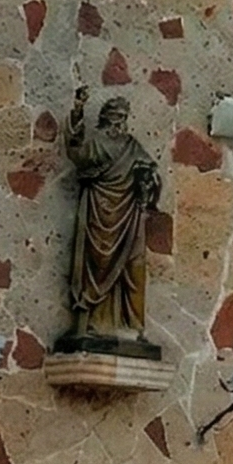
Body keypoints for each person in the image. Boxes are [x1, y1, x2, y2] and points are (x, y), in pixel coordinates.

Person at [64, 85, 160, 343]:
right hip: (100, 211)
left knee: (134, 267)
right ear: (107, 119)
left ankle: (133, 325)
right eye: (116, 118)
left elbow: (150, 172)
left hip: (130, 213)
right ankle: (93, 323)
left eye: (123, 118)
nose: (120, 123)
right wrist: (77, 112)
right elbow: (76, 153)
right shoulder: (97, 142)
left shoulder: (132, 145)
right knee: (98, 264)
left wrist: (147, 182)